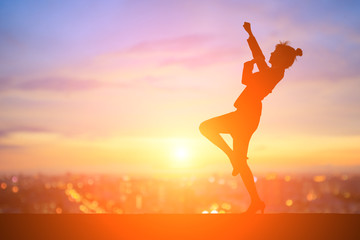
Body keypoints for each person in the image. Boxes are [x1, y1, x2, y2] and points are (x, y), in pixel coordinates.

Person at [199, 22, 302, 214]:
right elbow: (255, 66)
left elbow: (250, 72)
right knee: (241, 162)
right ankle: (256, 201)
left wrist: (249, 46)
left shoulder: (274, 72)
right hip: (249, 115)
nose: (270, 54)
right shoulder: (272, 71)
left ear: (280, 59)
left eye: (274, 53)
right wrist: (250, 41)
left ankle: (231, 155)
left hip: (246, 115)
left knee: (205, 127)